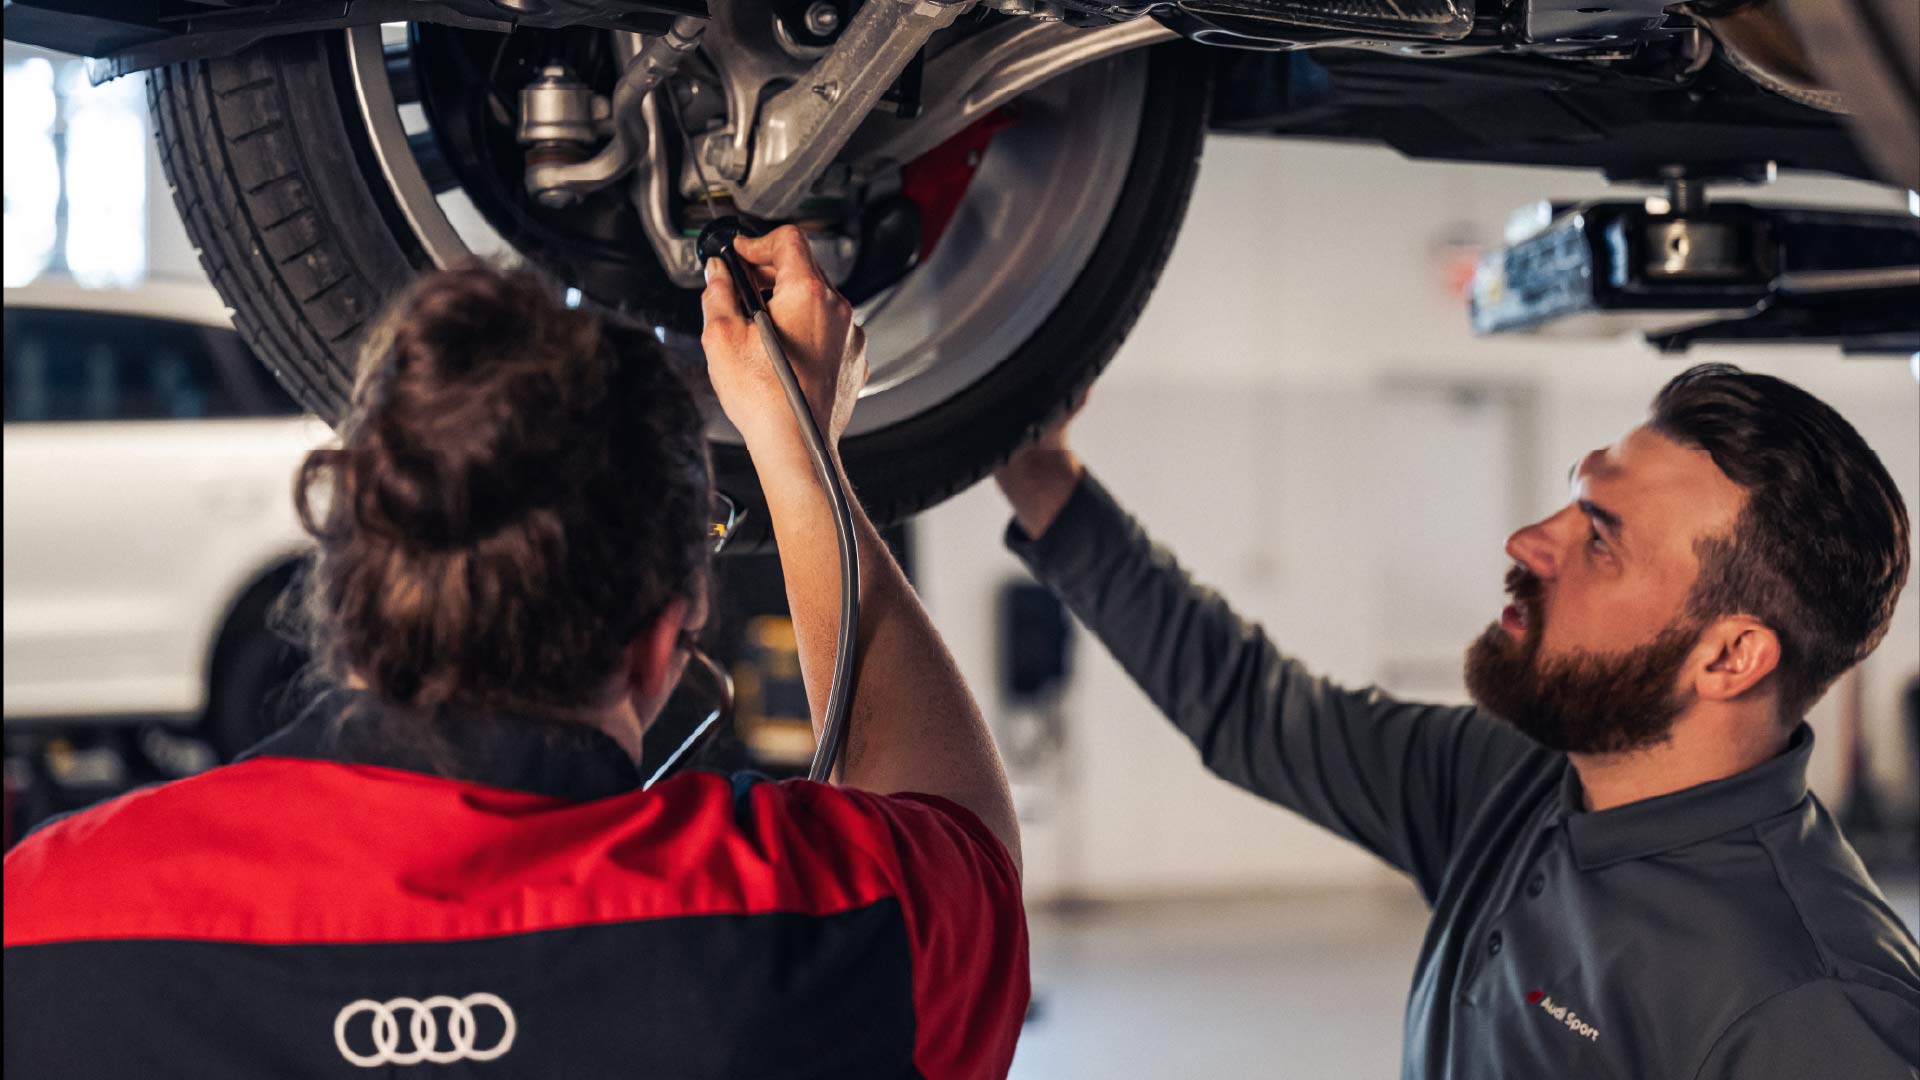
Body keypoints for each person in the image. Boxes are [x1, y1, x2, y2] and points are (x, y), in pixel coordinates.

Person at [4, 229, 1028, 1078]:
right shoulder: (796, 918)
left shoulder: (46, 923)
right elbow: (965, 848)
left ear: (349, 591)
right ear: (661, 642)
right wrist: (800, 453)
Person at [994, 364, 1919, 1077]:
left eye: (1599, 537)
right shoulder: (1518, 782)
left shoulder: (1811, 1005)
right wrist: (1042, 476)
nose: (1528, 541)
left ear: (1730, 657)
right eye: (1574, 495)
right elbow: (1253, 712)